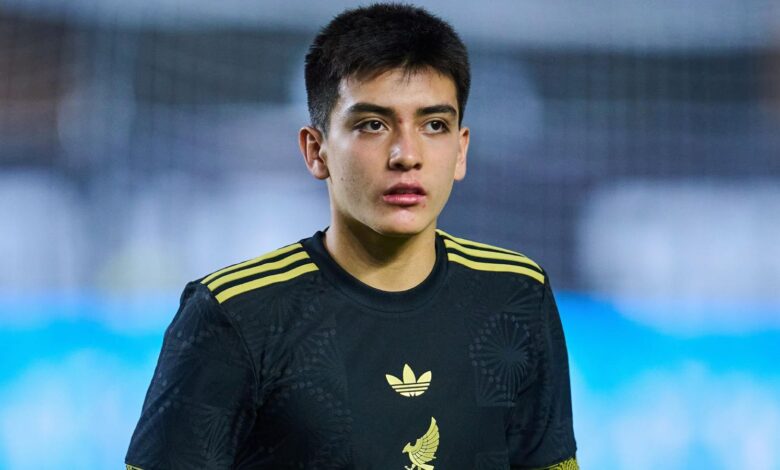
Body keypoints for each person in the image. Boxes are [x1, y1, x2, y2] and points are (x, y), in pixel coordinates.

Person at [125, 4, 578, 469]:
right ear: (315, 150)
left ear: (461, 151)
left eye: (434, 125)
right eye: (373, 125)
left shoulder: (517, 293)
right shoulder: (233, 314)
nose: (406, 155)